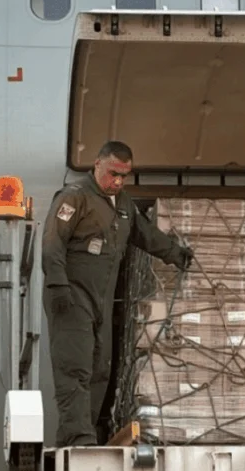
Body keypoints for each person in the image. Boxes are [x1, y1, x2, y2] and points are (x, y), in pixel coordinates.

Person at [41, 140, 193, 447]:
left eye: (124, 175)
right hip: (72, 297)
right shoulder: (75, 197)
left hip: (102, 300)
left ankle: (91, 434)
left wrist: (175, 253)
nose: (118, 181)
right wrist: (57, 284)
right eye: (113, 173)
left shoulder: (123, 205)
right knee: (76, 366)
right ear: (97, 165)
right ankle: (76, 438)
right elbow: (52, 243)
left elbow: (145, 235)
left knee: (100, 369)